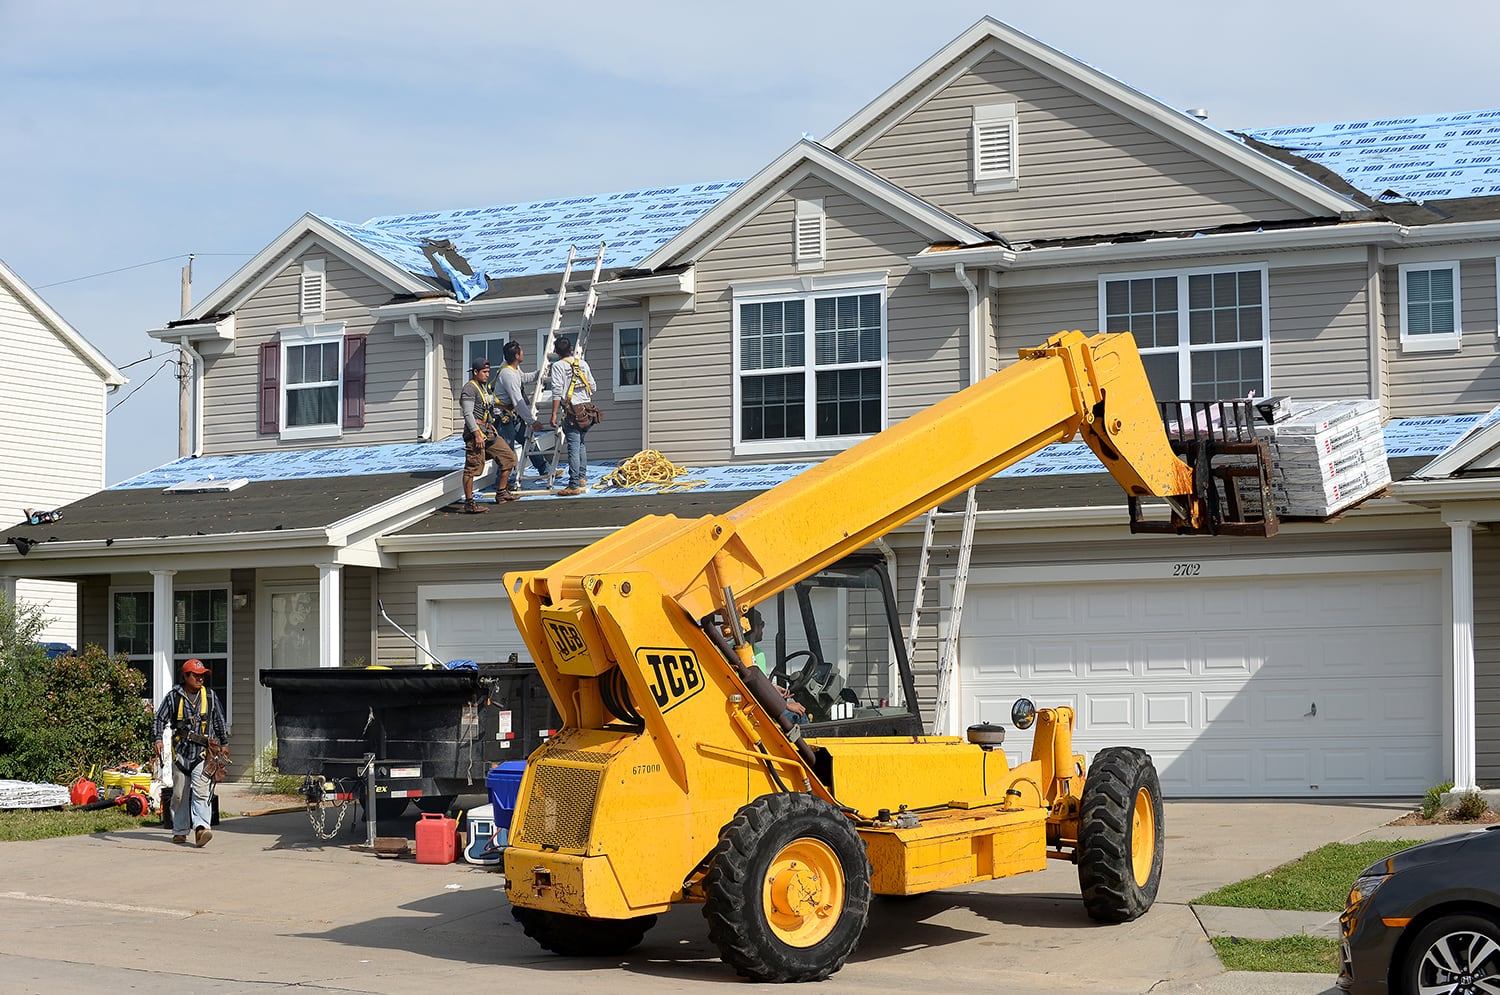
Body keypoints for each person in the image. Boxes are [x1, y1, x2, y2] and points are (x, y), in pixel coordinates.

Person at [152, 659, 230, 847]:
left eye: (202, 675)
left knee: (202, 793)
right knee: (179, 794)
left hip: (203, 755)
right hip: (180, 755)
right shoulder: (173, 697)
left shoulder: (210, 697)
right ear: (185, 676)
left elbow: (219, 721)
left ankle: (201, 829)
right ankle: (180, 831)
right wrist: (158, 739)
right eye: (196, 675)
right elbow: (159, 719)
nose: (200, 679)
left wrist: (224, 743)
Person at [494, 340, 554, 491]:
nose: (523, 352)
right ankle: (502, 483)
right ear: (516, 355)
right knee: (507, 451)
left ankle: (544, 469)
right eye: (521, 350)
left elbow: (525, 378)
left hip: (511, 415)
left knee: (529, 441)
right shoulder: (508, 374)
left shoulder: (513, 370)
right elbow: (518, 401)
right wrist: (532, 421)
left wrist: (542, 372)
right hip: (503, 418)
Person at [460, 356, 517, 513]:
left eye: (488, 372)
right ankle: (469, 503)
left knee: (508, 457)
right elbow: (468, 414)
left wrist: (490, 423)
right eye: (484, 372)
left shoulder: (483, 388)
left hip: (488, 432)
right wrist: (477, 434)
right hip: (475, 434)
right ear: (476, 372)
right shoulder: (469, 388)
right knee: (472, 468)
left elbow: (486, 408)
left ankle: (501, 492)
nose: (487, 375)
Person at [549, 336, 596, 497]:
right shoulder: (582, 364)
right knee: (581, 443)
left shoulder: (558, 367)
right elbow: (593, 387)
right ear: (570, 349)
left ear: (556, 352)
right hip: (588, 410)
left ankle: (574, 485)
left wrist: (554, 413)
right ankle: (582, 477)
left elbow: (556, 392)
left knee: (573, 447)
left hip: (573, 411)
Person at [745, 607, 806, 722]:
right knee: (800, 716)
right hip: (755, 710)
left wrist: (773, 688)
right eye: (761, 624)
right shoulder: (746, 655)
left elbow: (760, 684)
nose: (763, 629)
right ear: (752, 627)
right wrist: (785, 705)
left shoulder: (754, 652)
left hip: (755, 706)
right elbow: (756, 690)